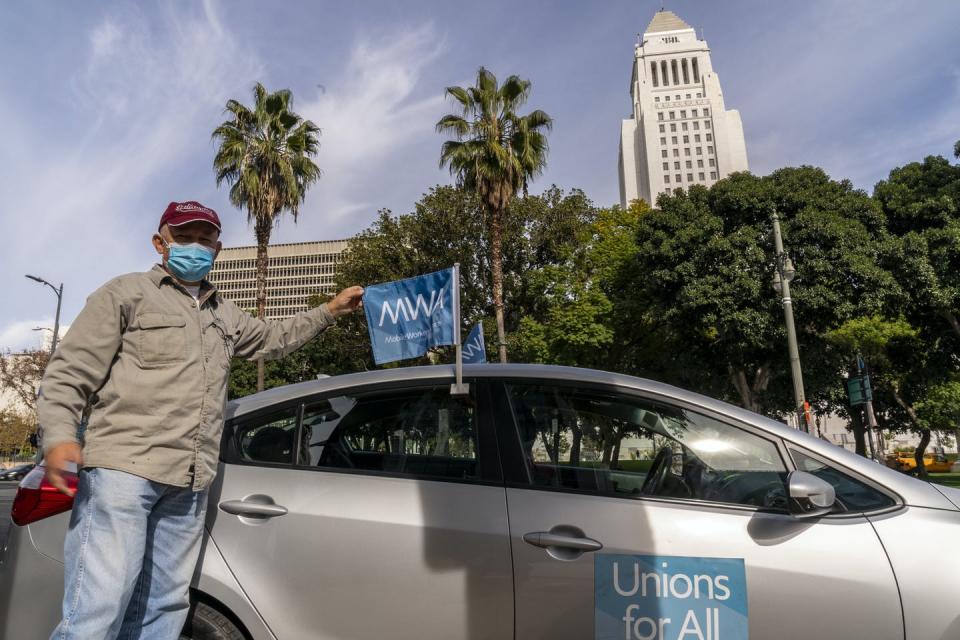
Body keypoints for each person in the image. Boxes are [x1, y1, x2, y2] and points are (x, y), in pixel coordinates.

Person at [38, 201, 364, 639]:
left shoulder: (224, 313)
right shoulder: (125, 294)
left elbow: (272, 339)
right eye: (184, 237)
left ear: (217, 248)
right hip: (123, 475)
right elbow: (69, 373)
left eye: (204, 238)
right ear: (161, 243)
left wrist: (328, 312)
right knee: (99, 609)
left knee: (164, 607)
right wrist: (59, 436)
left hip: (190, 483)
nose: (195, 246)